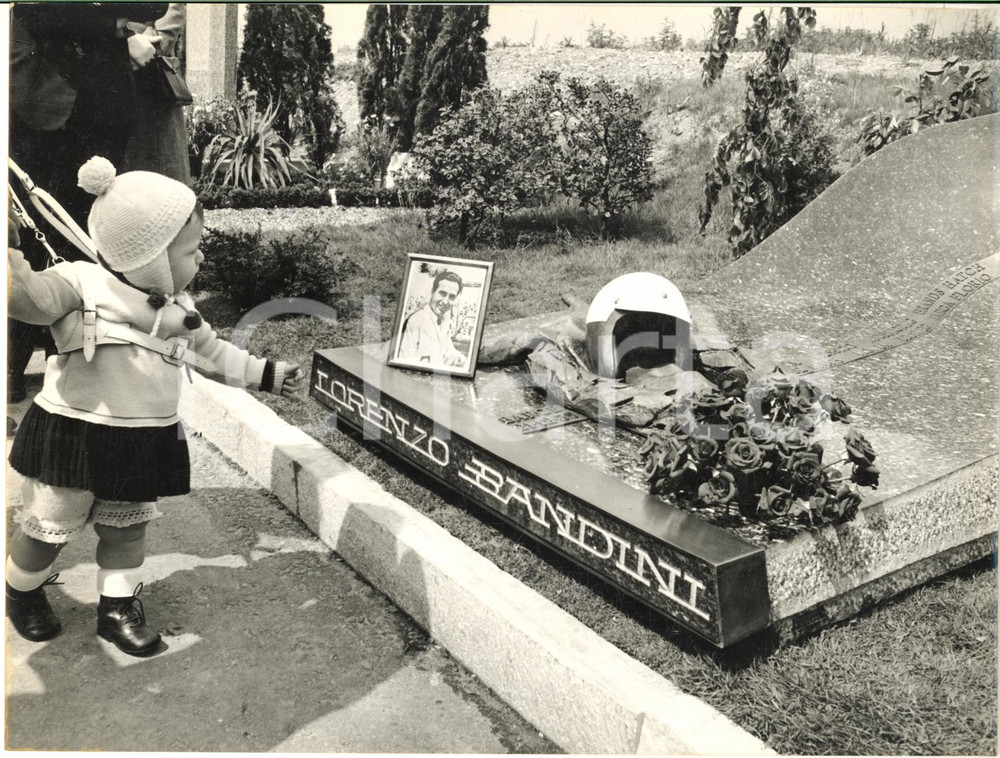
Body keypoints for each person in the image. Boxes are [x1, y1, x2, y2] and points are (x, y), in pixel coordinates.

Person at [5, 156, 303, 657]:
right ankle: (21, 590)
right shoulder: (79, 284)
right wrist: (9, 249)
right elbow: (26, 297)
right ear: (150, 258)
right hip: (73, 433)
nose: (200, 258)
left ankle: (116, 610)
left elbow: (213, 354)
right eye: (191, 250)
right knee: (47, 529)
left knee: (127, 531)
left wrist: (264, 374)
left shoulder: (180, 311)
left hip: (141, 438)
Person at [8, 2, 166, 402]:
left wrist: (111, 20)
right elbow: (38, 10)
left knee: (86, 237)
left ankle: (72, 360)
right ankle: (12, 365)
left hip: (101, 103)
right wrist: (112, 23)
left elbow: (154, 5)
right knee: (28, 232)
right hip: (37, 98)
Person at [122, 4, 193, 184]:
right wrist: (120, 43)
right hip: (102, 82)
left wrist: (134, 44)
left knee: (157, 183)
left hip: (149, 88)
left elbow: (169, 23)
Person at [396, 270, 468, 367]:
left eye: (451, 297)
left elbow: (450, 350)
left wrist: (462, 360)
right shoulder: (416, 320)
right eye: (442, 294)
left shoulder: (443, 321)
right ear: (432, 292)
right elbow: (404, 359)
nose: (445, 301)